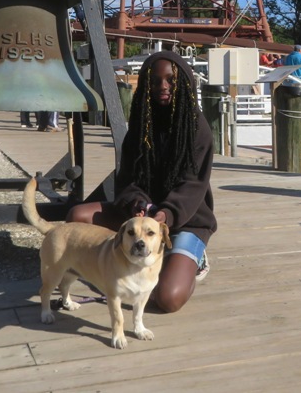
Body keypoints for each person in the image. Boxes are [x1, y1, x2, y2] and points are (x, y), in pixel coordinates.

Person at [67, 51, 216, 313]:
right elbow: (127, 178)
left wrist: (165, 215)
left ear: (185, 84)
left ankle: (194, 260)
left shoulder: (197, 128)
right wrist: (137, 202)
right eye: (155, 81)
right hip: (141, 218)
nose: (163, 87)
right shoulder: (140, 125)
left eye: (171, 80)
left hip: (184, 220)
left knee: (168, 298)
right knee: (78, 215)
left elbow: (193, 186)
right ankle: (112, 263)